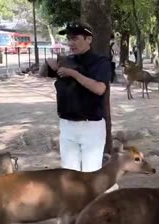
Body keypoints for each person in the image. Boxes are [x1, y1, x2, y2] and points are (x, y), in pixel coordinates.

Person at [43, 21, 111, 173]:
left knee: (90, 174)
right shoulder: (66, 61)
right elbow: (43, 74)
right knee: (69, 175)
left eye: (75, 38)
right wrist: (49, 63)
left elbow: (99, 89)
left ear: (89, 39)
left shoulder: (101, 62)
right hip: (67, 126)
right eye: (68, 39)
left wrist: (73, 74)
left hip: (91, 126)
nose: (70, 43)